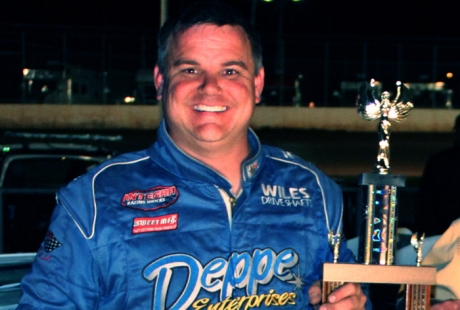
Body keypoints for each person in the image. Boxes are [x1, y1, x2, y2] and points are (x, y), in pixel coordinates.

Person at [18, 2, 369, 309]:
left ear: (258, 84)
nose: (210, 86)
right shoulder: (93, 202)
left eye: (230, 71)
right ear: (160, 82)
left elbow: (349, 294)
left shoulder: (314, 191)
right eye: (190, 70)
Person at [415, 114, 460, 237]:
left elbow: (424, 202)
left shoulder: (439, 161)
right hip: (441, 233)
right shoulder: (439, 162)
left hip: (440, 234)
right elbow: (425, 202)